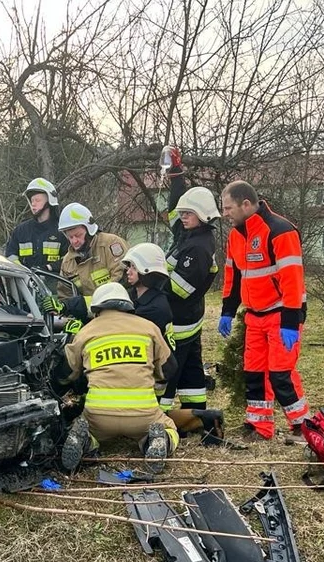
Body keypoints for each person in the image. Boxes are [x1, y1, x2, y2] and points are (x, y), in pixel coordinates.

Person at [58, 282, 180, 472]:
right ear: (128, 305)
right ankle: (158, 440)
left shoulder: (85, 332)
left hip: (99, 416)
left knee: (82, 426)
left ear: (96, 308)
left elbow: (66, 374)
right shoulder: (148, 327)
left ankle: (86, 441)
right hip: (143, 414)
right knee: (169, 426)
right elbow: (169, 369)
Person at [219, 180, 308, 440]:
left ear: (246, 204)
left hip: (282, 314)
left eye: (228, 208)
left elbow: (292, 279)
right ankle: (260, 426)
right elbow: (232, 275)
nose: (225, 214)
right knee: (254, 373)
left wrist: (291, 321)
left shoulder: (280, 230)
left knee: (281, 375)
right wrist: (227, 310)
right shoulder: (236, 235)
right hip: (254, 315)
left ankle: (303, 427)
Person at [121, 242, 225, 445]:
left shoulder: (153, 308)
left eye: (133, 267)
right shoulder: (141, 296)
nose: (128, 271)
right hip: (151, 372)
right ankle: (199, 417)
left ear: (146, 272)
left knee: (151, 419)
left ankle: (200, 420)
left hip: (153, 376)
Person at [158, 147, 220, 411]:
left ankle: (159, 414)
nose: (182, 218)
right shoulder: (190, 234)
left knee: (171, 366)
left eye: (188, 214)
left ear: (203, 215)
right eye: (183, 214)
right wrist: (175, 175)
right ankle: (197, 413)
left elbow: (181, 289)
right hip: (188, 316)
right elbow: (174, 208)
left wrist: (147, 281)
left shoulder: (198, 247)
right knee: (193, 367)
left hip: (182, 318)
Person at [42, 202, 129, 320]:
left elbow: (121, 285)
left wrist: (81, 304)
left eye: (78, 235)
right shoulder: (68, 262)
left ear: (89, 229)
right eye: (70, 237)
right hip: (88, 320)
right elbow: (65, 298)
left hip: (117, 315)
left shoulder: (111, 245)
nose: (74, 241)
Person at [4, 178, 66, 272]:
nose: (33, 204)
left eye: (37, 200)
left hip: (54, 284)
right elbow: (10, 255)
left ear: (49, 201)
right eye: (32, 200)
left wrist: (48, 268)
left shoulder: (61, 231)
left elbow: (69, 260)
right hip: (24, 284)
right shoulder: (20, 231)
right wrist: (23, 271)